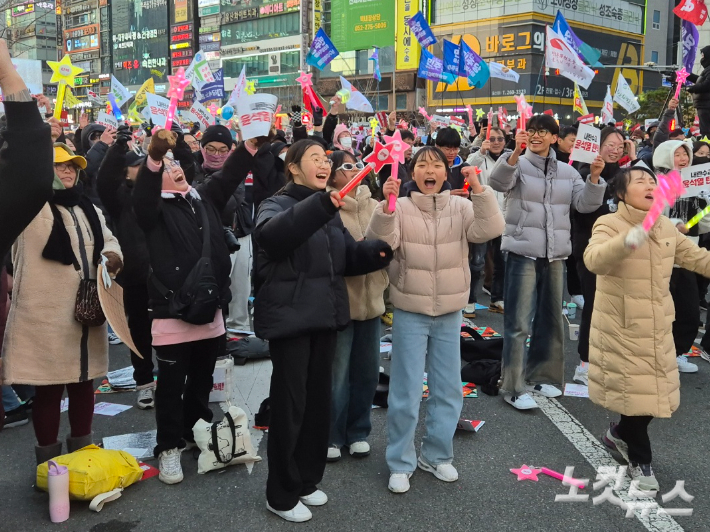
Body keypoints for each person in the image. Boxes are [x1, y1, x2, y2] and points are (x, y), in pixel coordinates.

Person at [254, 139, 392, 522]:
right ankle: (280, 494)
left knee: (318, 406)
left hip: (326, 317)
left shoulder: (327, 208)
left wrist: (378, 252)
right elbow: (273, 238)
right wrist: (321, 205)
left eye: (327, 160)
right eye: (315, 158)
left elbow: (347, 257)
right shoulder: (275, 204)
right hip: (291, 322)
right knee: (290, 408)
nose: (325, 164)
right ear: (293, 167)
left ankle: (306, 481)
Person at [367, 146, 504, 494]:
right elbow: (380, 243)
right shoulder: (403, 205)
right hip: (410, 310)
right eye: (422, 165)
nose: (430, 170)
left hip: (449, 311)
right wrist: (387, 207)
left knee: (448, 388)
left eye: (437, 165)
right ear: (413, 173)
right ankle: (400, 462)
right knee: (405, 390)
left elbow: (489, 228)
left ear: (448, 173)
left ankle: (437, 455)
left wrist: (481, 189)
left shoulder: (460, 206)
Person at [133, 129, 252, 485]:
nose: (174, 168)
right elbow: (143, 193)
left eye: (174, 163)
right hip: (172, 313)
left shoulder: (202, 198)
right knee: (170, 385)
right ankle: (168, 447)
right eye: (165, 166)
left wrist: (250, 146)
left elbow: (229, 175)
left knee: (201, 380)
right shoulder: (152, 208)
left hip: (209, 310)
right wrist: (154, 157)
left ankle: (196, 432)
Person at [584, 167, 710, 491]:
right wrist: (628, 240)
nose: (649, 185)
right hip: (621, 327)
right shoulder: (608, 223)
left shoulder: (666, 226)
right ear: (621, 194)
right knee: (635, 396)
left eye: (652, 181)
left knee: (654, 395)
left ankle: (618, 433)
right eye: (639, 181)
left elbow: (697, 258)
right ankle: (640, 459)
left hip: (657, 325)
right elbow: (594, 260)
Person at [2, 143, 123, 464]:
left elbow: (109, 239)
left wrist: (112, 257)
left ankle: (82, 455)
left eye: (72, 165)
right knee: (49, 390)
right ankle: (49, 463)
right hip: (44, 316)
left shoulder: (88, 207)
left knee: (85, 383)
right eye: (58, 166)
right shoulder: (27, 207)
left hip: (87, 312)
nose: (67, 170)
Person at [489, 114, 607, 410]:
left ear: (555, 138)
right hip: (522, 252)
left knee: (551, 319)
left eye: (542, 131)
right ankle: (513, 385)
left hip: (556, 255)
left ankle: (541, 375)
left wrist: (594, 178)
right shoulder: (516, 162)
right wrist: (514, 153)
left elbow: (584, 204)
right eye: (532, 131)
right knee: (517, 321)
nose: (536, 136)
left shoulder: (568, 172)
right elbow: (498, 182)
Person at [324, 150, 389, 463]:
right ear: (334, 174)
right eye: (348, 166)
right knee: (336, 374)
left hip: (373, 302)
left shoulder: (374, 203)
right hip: (341, 304)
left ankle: (358, 431)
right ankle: (332, 435)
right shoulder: (326, 205)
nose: (356, 170)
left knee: (366, 373)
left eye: (359, 165)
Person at [97, 127, 158, 409]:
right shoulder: (120, 198)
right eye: (135, 166)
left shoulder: (162, 192)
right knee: (139, 332)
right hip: (134, 276)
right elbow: (105, 181)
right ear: (126, 172)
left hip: (166, 274)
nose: (141, 168)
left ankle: (171, 381)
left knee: (171, 332)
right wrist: (118, 148)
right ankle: (145, 383)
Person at [571, 127, 629, 385]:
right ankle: (585, 363)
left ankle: (608, 359)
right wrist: (594, 178)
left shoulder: (625, 175)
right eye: (610, 145)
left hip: (620, 250)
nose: (615, 150)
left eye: (620, 146)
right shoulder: (583, 172)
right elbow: (583, 211)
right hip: (591, 250)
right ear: (596, 145)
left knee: (615, 307)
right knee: (595, 306)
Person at [652, 139, 707, 374]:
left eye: (686, 154)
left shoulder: (697, 185)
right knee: (658, 314)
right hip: (658, 259)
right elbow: (650, 218)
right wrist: (675, 224)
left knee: (688, 313)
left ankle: (676, 353)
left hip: (686, 258)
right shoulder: (655, 182)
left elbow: (703, 222)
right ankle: (655, 356)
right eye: (677, 154)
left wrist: (694, 219)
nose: (683, 159)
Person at [467, 126, 511, 313]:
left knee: (502, 260)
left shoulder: (510, 159)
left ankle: (497, 298)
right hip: (482, 215)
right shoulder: (478, 156)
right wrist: (480, 151)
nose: (496, 143)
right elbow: (468, 167)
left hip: (503, 215)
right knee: (477, 262)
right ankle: (469, 300)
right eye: (491, 139)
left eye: (499, 139)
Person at [686, 45, 710, 136]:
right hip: (704, 104)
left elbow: (707, 84)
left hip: (706, 105)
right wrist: (687, 75)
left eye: (703, 55)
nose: (702, 58)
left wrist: (693, 88)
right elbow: (701, 80)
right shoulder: (707, 70)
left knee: (706, 131)